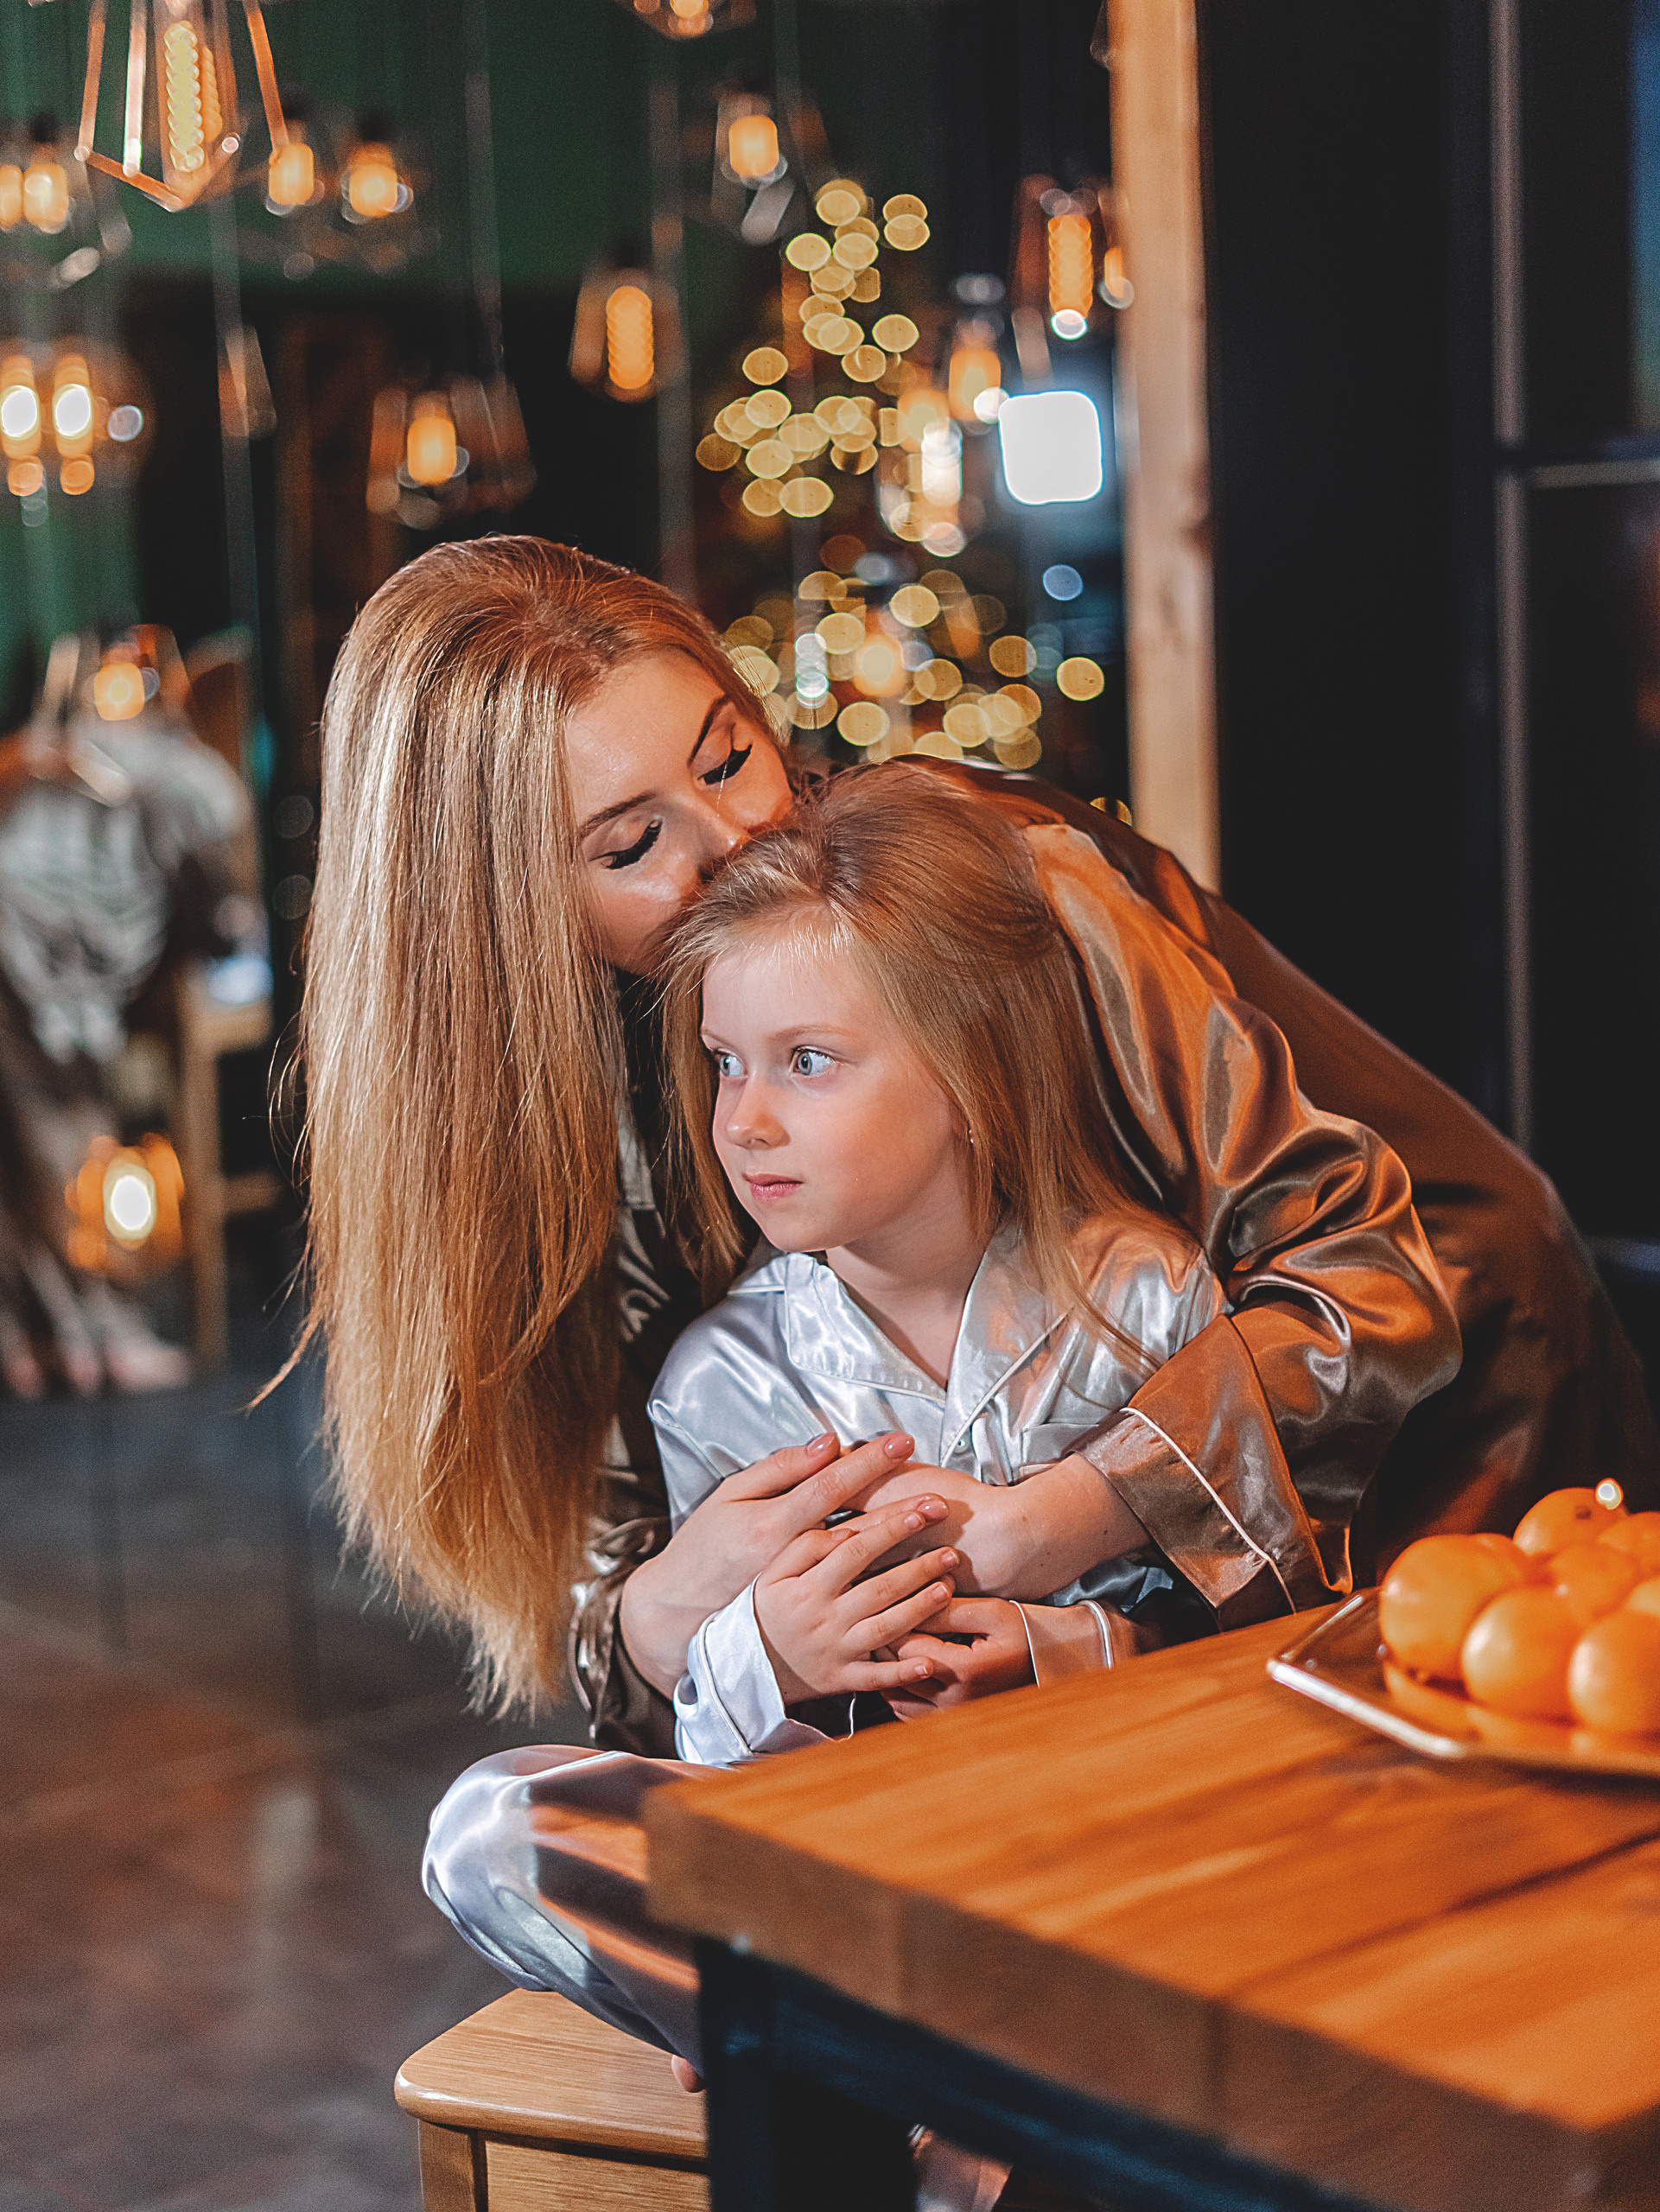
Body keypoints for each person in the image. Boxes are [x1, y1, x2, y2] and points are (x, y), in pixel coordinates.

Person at [298, 537, 1655, 1766]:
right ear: (500, 915)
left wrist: (1057, 1520)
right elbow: (639, 1642)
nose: (743, 842)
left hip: (1456, 1388)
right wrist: (673, 1605)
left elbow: (1363, 1274)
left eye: (727, 758)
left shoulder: (994, 882)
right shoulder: (570, 1091)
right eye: (636, 841)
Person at [649, 766, 1238, 1764]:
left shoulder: (1149, 1299)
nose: (743, 1121)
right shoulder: (718, 1387)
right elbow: (719, 1760)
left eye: (807, 1061)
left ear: (971, 1074)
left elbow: (1257, 1626)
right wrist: (772, 1660)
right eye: (725, 1061)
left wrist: (1081, 1647)